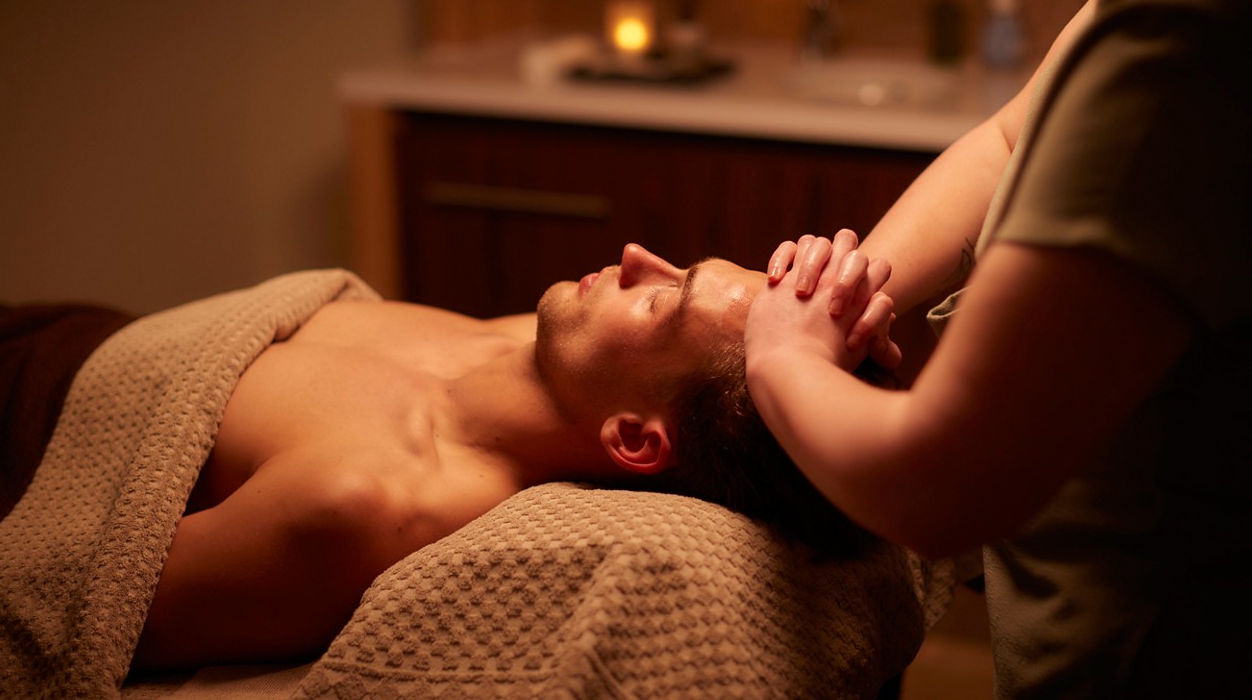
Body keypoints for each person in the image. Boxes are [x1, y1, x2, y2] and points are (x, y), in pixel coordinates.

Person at [744, 0, 1251, 700]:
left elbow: (943, 487)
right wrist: (845, 292)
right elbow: (1013, 139)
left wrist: (781, 360)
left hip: (1152, 693)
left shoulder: (1201, 40)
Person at [132, 243, 889, 671]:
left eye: (663, 301)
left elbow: (102, 604)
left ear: (632, 439)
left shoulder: (365, 499)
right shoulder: (537, 353)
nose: (636, 258)